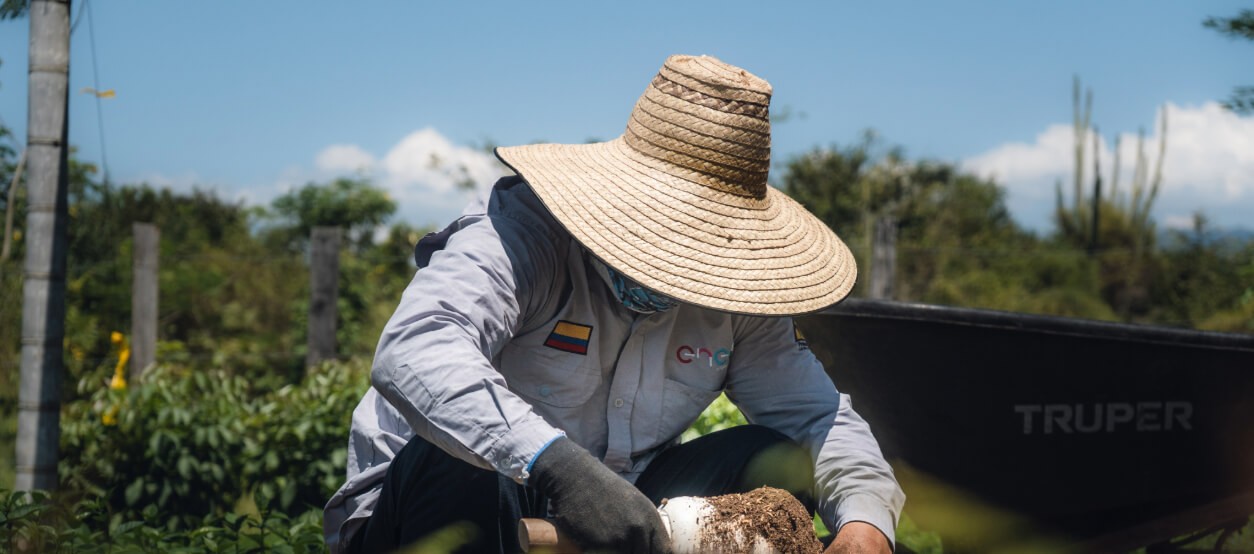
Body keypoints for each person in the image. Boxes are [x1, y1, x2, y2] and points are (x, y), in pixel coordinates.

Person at [323, 54, 905, 554]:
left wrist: (865, 522)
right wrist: (560, 468)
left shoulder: (734, 294)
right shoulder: (519, 236)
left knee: (773, 460)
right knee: (464, 459)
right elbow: (416, 349)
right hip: (436, 505)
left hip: (623, 504)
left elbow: (814, 416)